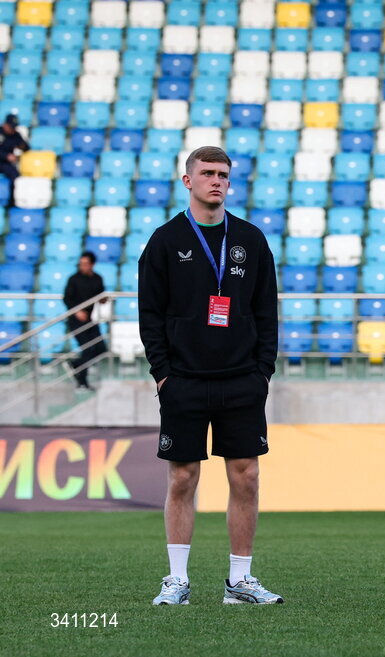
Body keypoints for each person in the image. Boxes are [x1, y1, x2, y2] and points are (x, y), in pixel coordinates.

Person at [139, 146, 282, 606]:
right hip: (183, 379)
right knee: (182, 477)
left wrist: (263, 371)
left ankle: (239, 582)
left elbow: (266, 311)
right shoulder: (164, 241)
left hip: (242, 378)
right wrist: (163, 373)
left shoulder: (251, 240)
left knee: (246, 476)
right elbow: (150, 314)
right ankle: (177, 580)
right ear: (188, 181)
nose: (216, 182)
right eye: (207, 174)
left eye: (223, 175)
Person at [62, 251, 109, 390]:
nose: (82, 266)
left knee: (101, 348)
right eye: (81, 264)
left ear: (92, 264)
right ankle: (82, 382)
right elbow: (67, 298)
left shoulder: (97, 278)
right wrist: (77, 311)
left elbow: (101, 296)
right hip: (75, 320)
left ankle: (76, 364)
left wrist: (103, 299)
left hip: (90, 319)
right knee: (87, 349)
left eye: (85, 264)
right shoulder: (74, 279)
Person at [0, 114, 29, 207]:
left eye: (14, 127)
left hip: (5, 164)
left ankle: (11, 202)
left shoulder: (16, 135)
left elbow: (26, 147)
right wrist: (6, 156)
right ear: (5, 125)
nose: (12, 129)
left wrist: (22, 147)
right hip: (3, 159)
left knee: (15, 176)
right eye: (10, 126)